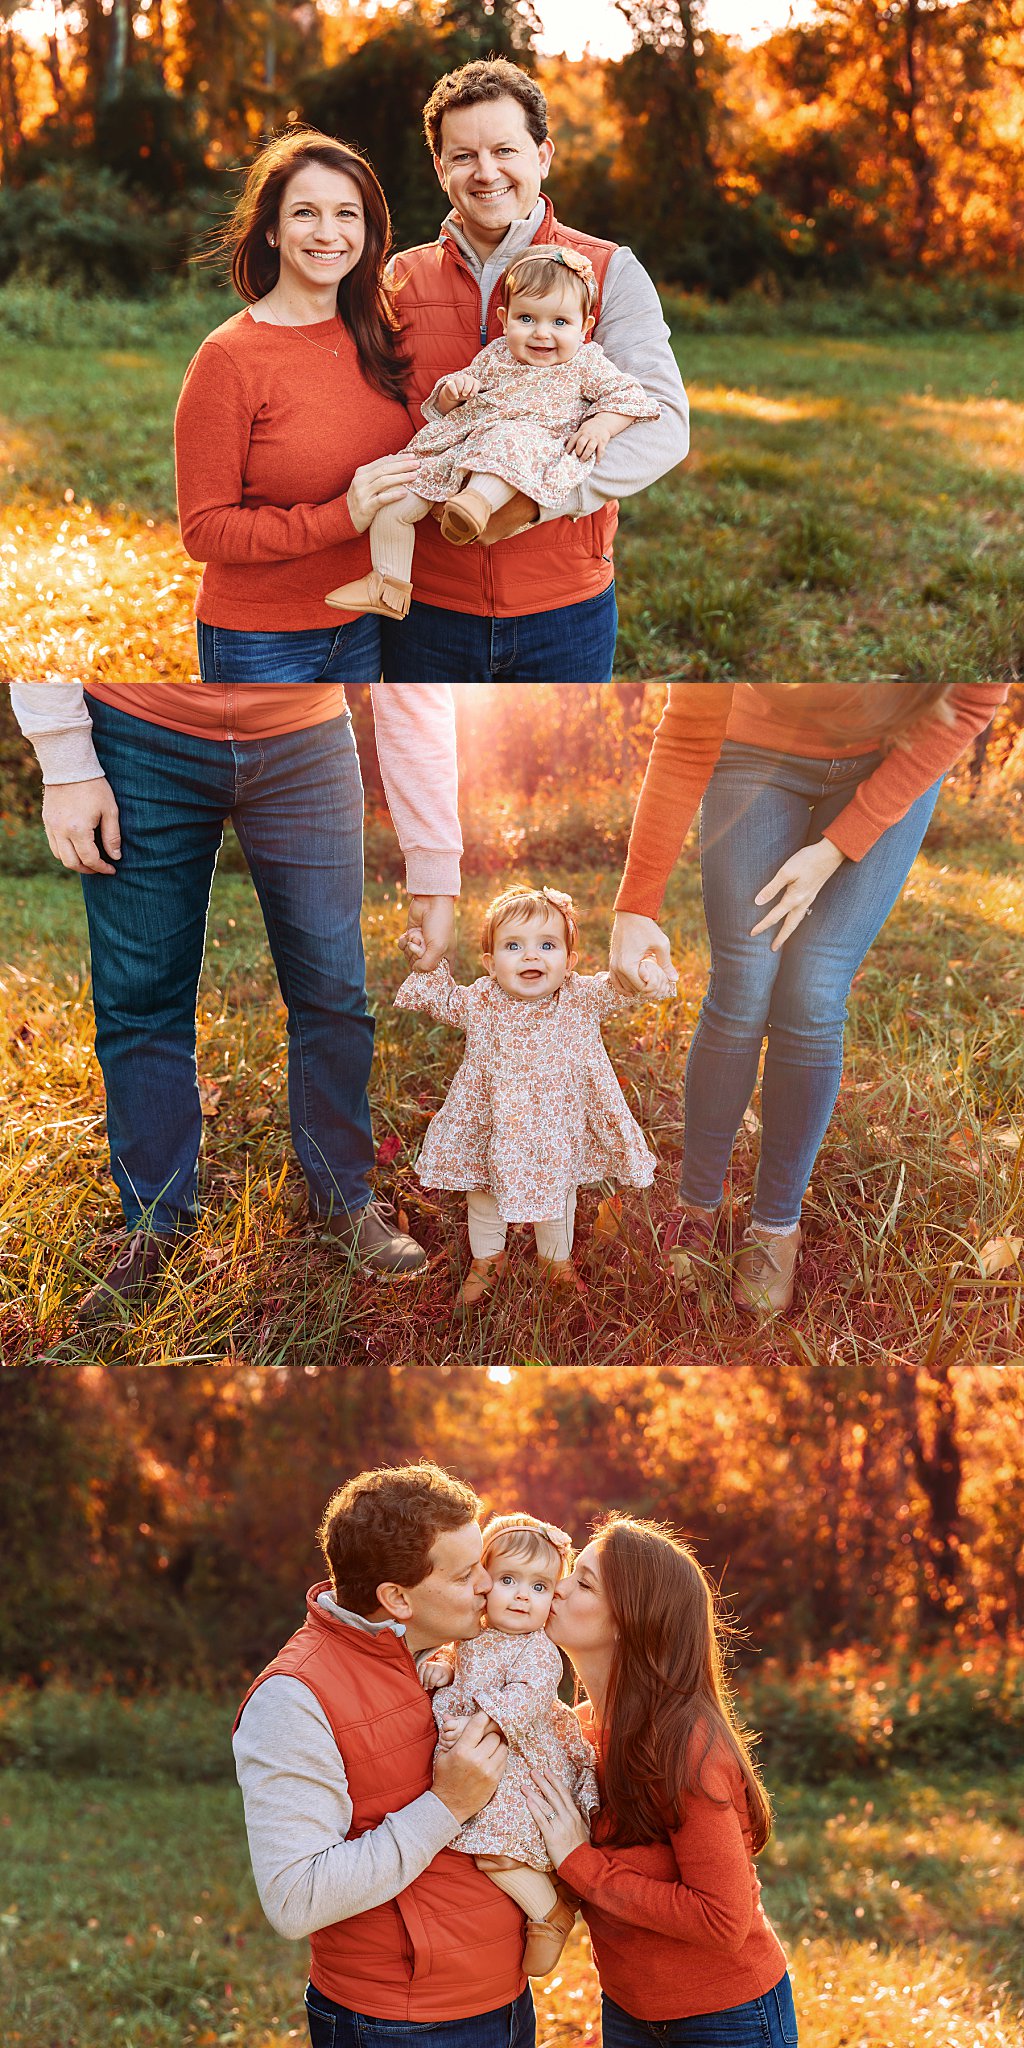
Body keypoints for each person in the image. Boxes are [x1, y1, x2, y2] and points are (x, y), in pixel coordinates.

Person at [9, 678, 463, 1318]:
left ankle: (344, 1198)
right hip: (139, 739)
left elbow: (410, 682)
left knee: (332, 990)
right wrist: (66, 763)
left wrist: (435, 864)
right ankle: (155, 1221)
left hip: (305, 741)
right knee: (140, 1002)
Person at [609, 680, 1010, 1314]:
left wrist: (836, 848)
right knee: (742, 982)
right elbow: (687, 732)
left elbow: (969, 700)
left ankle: (775, 1227)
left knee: (812, 991)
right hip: (754, 755)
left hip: (891, 758)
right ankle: (697, 1206)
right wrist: (636, 905)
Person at [381, 57, 690, 683]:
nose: (486, 172)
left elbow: (664, 426)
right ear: (440, 168)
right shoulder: (398, 280)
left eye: (505, 149)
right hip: (426, 610)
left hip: (564, 609)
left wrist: (535, 500)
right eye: (463, 156)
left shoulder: (608, 271)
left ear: (542, 156)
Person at [232, 1462, 534, 2048]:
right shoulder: (294, 1698)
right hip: (399, 2026)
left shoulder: (462, 1658)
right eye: (467, 1574)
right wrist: (446, 1805)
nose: (488, 1586)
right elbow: (295, 1899)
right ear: (396, 1597)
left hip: (509, 2002)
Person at [523, 1516, 799, 2048]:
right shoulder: (576, 1729)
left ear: (631, 1619)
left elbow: (723, 1921)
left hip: (726, 2018)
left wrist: (580, 1862)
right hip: (628, 2009)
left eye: (582, 1582)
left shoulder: (686, 1743)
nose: (555, 1589)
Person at [327, 247, 658, 620]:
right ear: (504, 319)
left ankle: (476, 505)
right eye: (527, 318)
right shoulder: (497, 353)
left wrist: (601, 424)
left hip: (526, 447)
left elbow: (629, 395)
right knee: (398, 498)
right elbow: (458, 395)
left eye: (560, 323)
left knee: (506, 440)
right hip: (465, 446)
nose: (542, 334)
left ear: (585, 326)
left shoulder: (587, 362)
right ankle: (388, 585)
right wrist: (455, 389)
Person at [393, 885, 673, 1303]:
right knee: (484, 1192)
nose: (531, 956)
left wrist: (643, 973)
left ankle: (556, 1260)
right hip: (494, 1126)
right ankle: (487, 1259)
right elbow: (443, 999)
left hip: (557, 1130)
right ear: (490, 963)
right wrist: (423, 957)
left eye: (547, 944)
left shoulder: (580, 997)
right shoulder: (482, 1000)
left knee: (559, 1192)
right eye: (513, 946)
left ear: (569, 960)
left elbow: (621, 986)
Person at [424, 1512, 598, 1976]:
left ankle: (551, 1914)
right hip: (482, 1758)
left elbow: (527, 1699)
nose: (523, 1595)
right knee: (471, 1838)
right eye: (508, 1579)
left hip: (521, 1765)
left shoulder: (538, 1650)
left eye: (540, 1587)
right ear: (484, 1581)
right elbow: (453, 1654)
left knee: (495, 1850)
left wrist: (483, 1723)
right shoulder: (472, 1631)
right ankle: (550, 1893)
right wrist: (442, 1666)